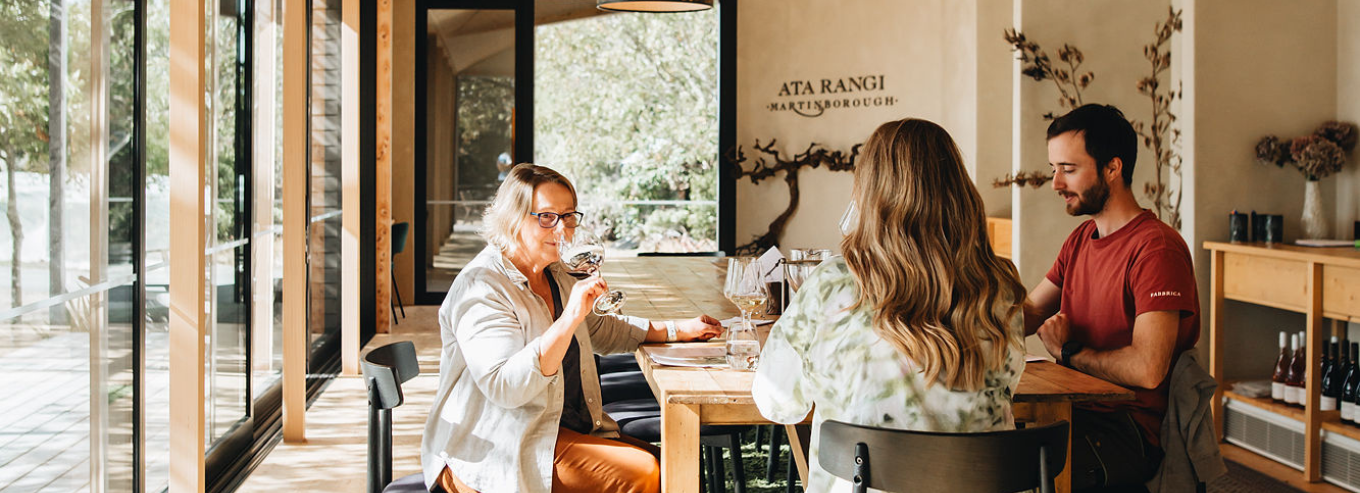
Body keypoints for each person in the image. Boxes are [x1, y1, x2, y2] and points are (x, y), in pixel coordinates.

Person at [751, 118, 1029, 493]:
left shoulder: (832, 284)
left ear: (867, 192)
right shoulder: (999, 287)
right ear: (959, 191)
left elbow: (778, 403)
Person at [421, 164, 725, 493]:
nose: (563, 230)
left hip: (555, 426)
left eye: (568, 216)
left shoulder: (556, 272)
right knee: (644, 474)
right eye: (547, 217)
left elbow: (602, 330)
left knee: (673, 466)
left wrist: (677, 330)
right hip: (498, 444)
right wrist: (569, 317)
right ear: (513, 218)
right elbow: (505, 388)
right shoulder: (483, 287)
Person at [1025, 104, 1200, 491]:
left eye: (1068, 170)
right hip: (1072, 411)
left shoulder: (1157, 250)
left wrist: (1069, 353)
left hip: (1126, 432)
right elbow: (1033, 309)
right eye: (1055, 169)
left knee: (1007, 469)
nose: (1055, 183)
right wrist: (960, 320)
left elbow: (1148, 368)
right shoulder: (1081, 240)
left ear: (1112, 169)